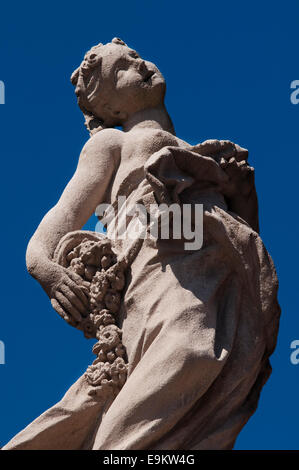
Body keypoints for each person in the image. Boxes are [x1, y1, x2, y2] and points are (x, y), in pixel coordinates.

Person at [3, 38, 280, 450]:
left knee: (220, 374)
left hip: (219, 274)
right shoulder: (112, 143)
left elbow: (244, 238)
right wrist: (44, 267)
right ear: (111, 109)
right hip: (158, 264)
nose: (140, 64)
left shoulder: (196, 151)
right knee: (188, 353)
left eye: (136, 57)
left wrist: (241, 194)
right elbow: (58, 221)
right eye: (123, 68)